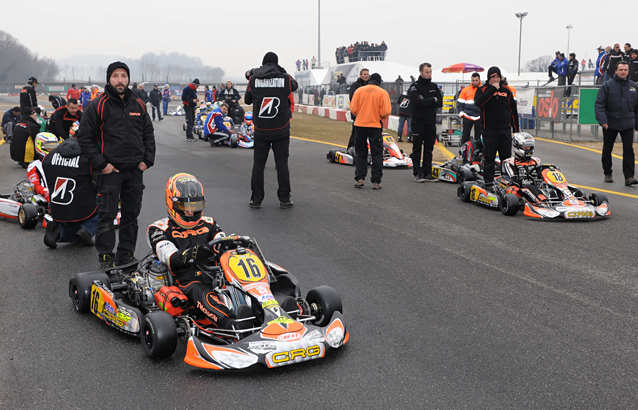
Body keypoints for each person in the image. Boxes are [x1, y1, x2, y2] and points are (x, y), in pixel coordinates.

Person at [147, 173, 252, 330]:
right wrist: (193, 253)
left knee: (245, 275)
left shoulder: (209, 223)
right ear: (172, 203)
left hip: (215, 274)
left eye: (194, 206)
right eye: (185, 206)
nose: (190, 212)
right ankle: (231, 324)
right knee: (199, 290)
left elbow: (221, 241)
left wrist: (232, 244)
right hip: (184, 281)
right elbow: (171, 259)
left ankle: (271, 311)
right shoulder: (158, 229)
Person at [77, 61, 156, 269]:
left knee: (131, 216)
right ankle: (105, 256)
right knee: (107, 216)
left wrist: (147, 161)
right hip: (109, 172)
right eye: (115, 76)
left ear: (128, 79)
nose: (120, 80)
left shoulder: (138, 104)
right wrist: (102, 165)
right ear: (109, 79)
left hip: (134, 172)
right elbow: (85, 138)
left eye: (123, 76)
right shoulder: (97, 105)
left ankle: (126, 255)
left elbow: (148, 133)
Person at [244, 51, 298, 209]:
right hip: (280, 127)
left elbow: (247, 100)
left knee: (258, 164)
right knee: (282, 163)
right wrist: (282, 72)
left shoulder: (254, 79)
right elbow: (294, 86)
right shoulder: (285, 78)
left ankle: (256, 199)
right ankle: (284, 198)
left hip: (261, 128)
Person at [43, 135, 99, 248]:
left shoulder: (50, 156)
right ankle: (87, 229)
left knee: (68, 216)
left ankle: (58, 230)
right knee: (105, 205)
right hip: (82, 208)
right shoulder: (88, 158)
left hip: (56, 209)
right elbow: (100, 183)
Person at [474, 66, 520, 190]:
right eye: (493, 77)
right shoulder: (483, 90)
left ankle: (506, 182)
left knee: (506, 158)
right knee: (489, 157)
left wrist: (516, 130)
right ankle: (488, 183)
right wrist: (492, 89)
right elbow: (478, 102)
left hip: (505, 130)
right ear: (489, 78)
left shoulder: (507, 91)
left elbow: (513, 111)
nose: (495, 79)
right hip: (489, 130)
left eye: (497, 77)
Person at [595, 60, 638, 185]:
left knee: (628, 150)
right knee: (607, 149)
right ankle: (607, 173)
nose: (623, 72)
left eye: (625, 70)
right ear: (616, 71)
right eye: (621, 70)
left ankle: (629, 177)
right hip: (610, 123)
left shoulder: (633, 87)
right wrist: (603, 121)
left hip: (628, 123)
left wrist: (636, 124)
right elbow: (599, 104)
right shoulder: (607, 86)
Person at [350, 73, 391, 190]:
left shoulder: (359, 91)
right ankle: (376, 181)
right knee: (377, 154)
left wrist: (362, 115)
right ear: (379, 82)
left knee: (360, 152)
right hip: (375, 125)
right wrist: (376, 115)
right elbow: (386, 112)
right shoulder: (382, 93)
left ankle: (359, 178)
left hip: (360, 125)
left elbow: (353, 109)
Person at [408, 62, 443, 182]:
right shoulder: (415, 86)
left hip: (431, 122)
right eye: (427, 72)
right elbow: (417, 102)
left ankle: (427, 172)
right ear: (421, 72)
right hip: (418, 122)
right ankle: (417, 172)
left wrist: (426, 101)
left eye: (430, 72)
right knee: (417, 149)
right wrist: (430, 100)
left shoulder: (434, 86)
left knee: (429, 148)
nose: (429, 74)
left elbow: (439, 102)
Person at [501, 133, 548, 203]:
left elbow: (541, 174)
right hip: (519, 188)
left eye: (529, 146)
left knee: (551, 186)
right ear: (517, 146)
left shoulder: (536, 160)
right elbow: (513, 180)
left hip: (536, 185)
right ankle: (543, 202)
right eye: (525, 146)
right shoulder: (509, 162)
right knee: (530, 187)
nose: (527, 148)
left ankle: (566, 199)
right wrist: (526, 181)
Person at [27, 132, 59, 204]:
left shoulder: (62, 161)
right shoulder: (34, 166)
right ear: (39, 146)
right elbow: (35, 187)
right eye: (49, 147)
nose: (52, 150)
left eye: (54, 147)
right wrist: (48, 191)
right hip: (45, 197)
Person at [346, 68, 370, 151]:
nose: (366, 76)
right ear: (360, 75)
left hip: (369, 113)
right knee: (355, 133)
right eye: (364, 74)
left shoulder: (370, 85)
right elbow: (352, 99)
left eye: (367, 74)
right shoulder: (355, 85)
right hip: (358, 113)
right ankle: (350, 149)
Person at [457, 72, 482, 144]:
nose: (474, 82)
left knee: (479, 137)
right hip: (467, 116)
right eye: (473, 80)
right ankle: (464, 152)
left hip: (479, 117)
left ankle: (478, 152)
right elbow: (460, 103)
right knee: (465, 136)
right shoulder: (465, 90)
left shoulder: (483, 90)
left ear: (479, 80)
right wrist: (461, 114)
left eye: (476, 80)